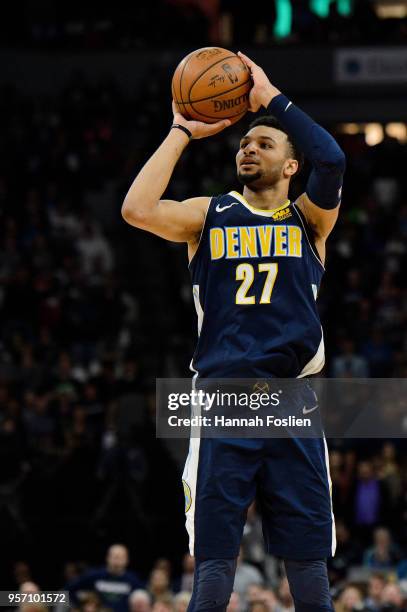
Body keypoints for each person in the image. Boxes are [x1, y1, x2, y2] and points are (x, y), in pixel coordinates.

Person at [122, 51, 345, 612]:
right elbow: (137, 208)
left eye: (264, 144)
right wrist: (180, 130)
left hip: (292, 399)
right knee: (216, 558)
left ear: (292, 166)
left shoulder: (310, 221)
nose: (248, 147)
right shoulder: (208, 215)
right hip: (223, 398)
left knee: (307, 557)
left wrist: (271, 100)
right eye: (245, 143)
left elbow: (333, 158)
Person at [66, 544, 143, 612]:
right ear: (107, 557)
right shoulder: (95, 576)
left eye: (120, 557)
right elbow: (67, 590)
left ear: (127, 560)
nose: (117, 561)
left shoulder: (133, 580)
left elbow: (146, 599)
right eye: (115, 556)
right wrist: (78, 605)